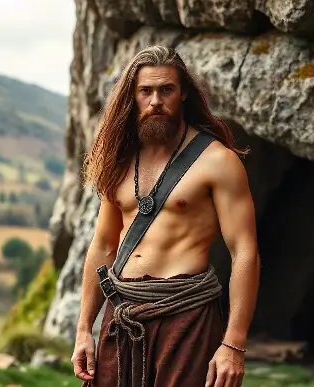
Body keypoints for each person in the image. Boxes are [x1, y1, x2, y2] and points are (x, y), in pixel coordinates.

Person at [71, 45, 261, 387]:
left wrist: (234, 345)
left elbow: (244, 251)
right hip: (123, 315)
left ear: (183, 93)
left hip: (186, 320)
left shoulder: (218, 162)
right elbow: (102, 246)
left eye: (166, 90)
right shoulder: (119, 159)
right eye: (145, 91)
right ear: (133, 96)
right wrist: (84, 329)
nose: (155, 101)